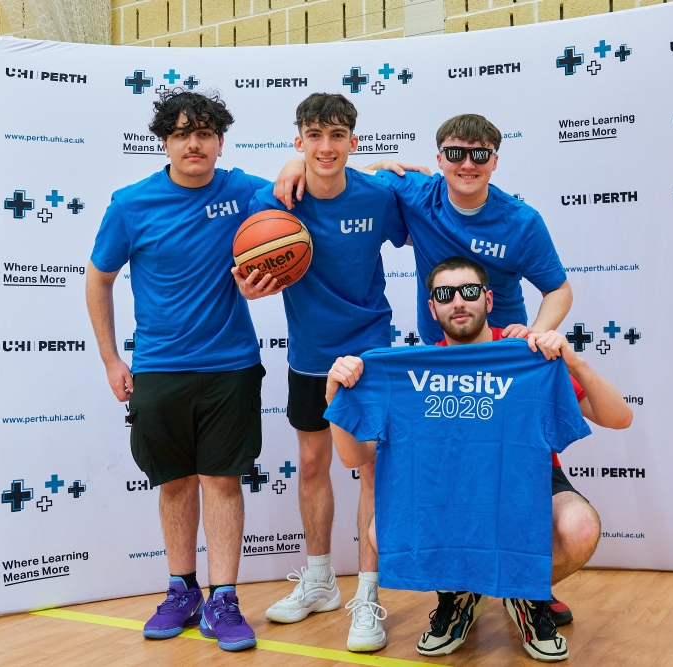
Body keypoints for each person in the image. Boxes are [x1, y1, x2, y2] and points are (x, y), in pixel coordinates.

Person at [323, 256, 632, 662]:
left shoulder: (527, 354)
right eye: (445, 294)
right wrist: (334, 396)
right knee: (384, 531)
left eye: (469, 291)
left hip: (526, 483)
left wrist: (574, 361)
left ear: (488, 299)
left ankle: (524, 593)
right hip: (446, 490)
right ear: (432, 307)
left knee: (579, 527)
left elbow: (620, 418)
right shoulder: (408, 370)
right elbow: (353, 458)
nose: (458, 302)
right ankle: (459, 596)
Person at [86, 89, 280, 652]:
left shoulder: (244, 191)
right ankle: (181, 590)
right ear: (165, 143)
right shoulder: (131, 204)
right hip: (158, 369)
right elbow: (98, 278)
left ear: (219, 142)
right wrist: (111, 359)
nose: (193, 143)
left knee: (222, 481)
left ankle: (224, 599)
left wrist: (386, 168)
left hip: (231, 366)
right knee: (174, 483)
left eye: (204, 133)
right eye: (180, 134)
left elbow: (306, 188)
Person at [238, 93, 407, 652]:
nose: (326, 147)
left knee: (369, 469)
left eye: (337, 136)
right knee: (312, 463)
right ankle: (319, 581)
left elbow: (428, 191)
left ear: (354, 142)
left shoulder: (378, 195)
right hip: (309, 354)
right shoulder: (275, 202)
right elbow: (246, 266)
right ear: (299, 141)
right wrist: (249, 286)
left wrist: (392, 166)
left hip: (368, 351)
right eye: (314, 136)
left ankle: (368, 595)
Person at [275, 113, 573, 345]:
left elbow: (558, 290)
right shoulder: (417, 192)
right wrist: (297, 163)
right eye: (455, 154)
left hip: (502, 347)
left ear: (494, 162)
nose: (468, 164)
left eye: (480, 155)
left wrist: (537, 332)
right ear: (439, 160)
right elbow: (338, 173)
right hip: (438, 346)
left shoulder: (522, 222)